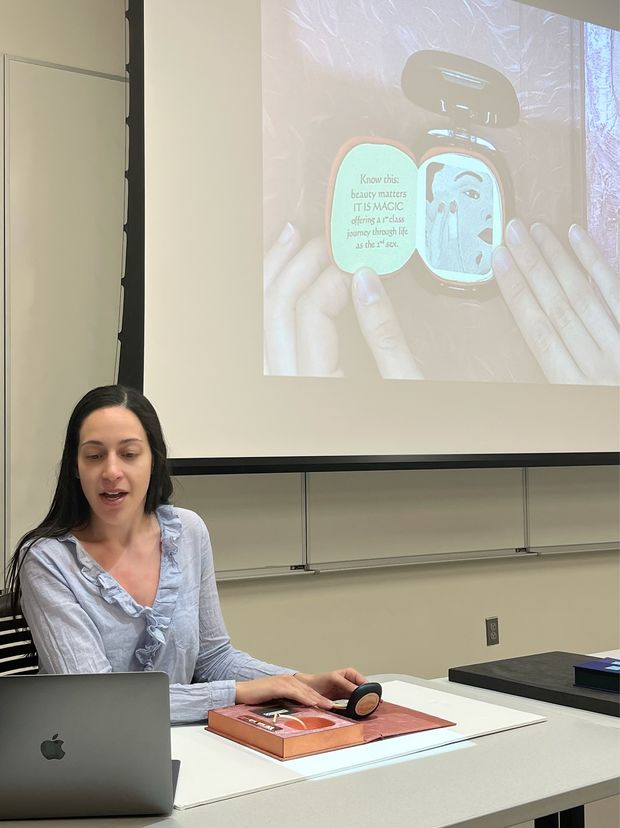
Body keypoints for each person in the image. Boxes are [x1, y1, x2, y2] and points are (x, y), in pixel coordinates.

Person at [5, 385, 366, 723]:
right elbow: (97, 700)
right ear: (75, 466)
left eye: (129, 454)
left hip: (191, 744)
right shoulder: (46, 560)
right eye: (94, 456)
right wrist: (236, 693)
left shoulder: (188, 531)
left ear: (153, 460)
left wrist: (300, 681)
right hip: (91, 760)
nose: (111, 471)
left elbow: (213, 658)